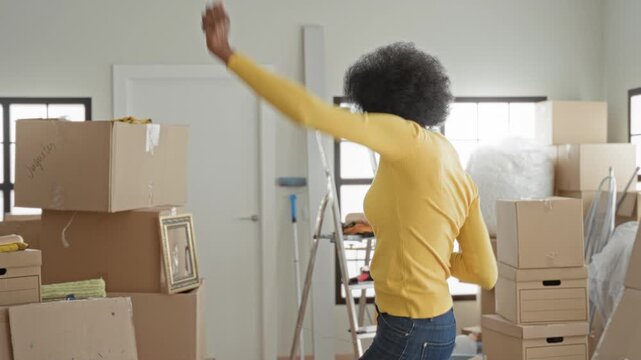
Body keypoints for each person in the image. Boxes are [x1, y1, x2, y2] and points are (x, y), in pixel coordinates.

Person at [202, 3, 498, 359]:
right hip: (435, 324)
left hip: (411, 327)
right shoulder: (446, 154)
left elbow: (310, 113)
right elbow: (484, 272)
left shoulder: (404, 136)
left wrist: (229, 55)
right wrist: (426, 253)